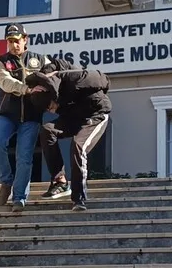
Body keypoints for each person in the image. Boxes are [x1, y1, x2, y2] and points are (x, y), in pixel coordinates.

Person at [26, 59, 112, 211]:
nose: (52, 111)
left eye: (51, 107)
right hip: (73, 118)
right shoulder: (48, 89)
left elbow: (104, 79)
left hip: (95, 115)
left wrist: (64, 75)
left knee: (78, 147)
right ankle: (60, 181)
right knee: (47, 130)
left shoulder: (75, 79)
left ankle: (79, 198)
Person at [0, 23, 51, 212]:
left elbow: (54, 79)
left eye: (17, 40)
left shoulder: (41, 60)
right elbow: (5, 82)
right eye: (10, 41)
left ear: (25, 39)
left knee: (24, 157)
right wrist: (27, 89)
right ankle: (5, 183)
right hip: (6, 113)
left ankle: (19, 197)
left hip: (31, 116)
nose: (14, 44)